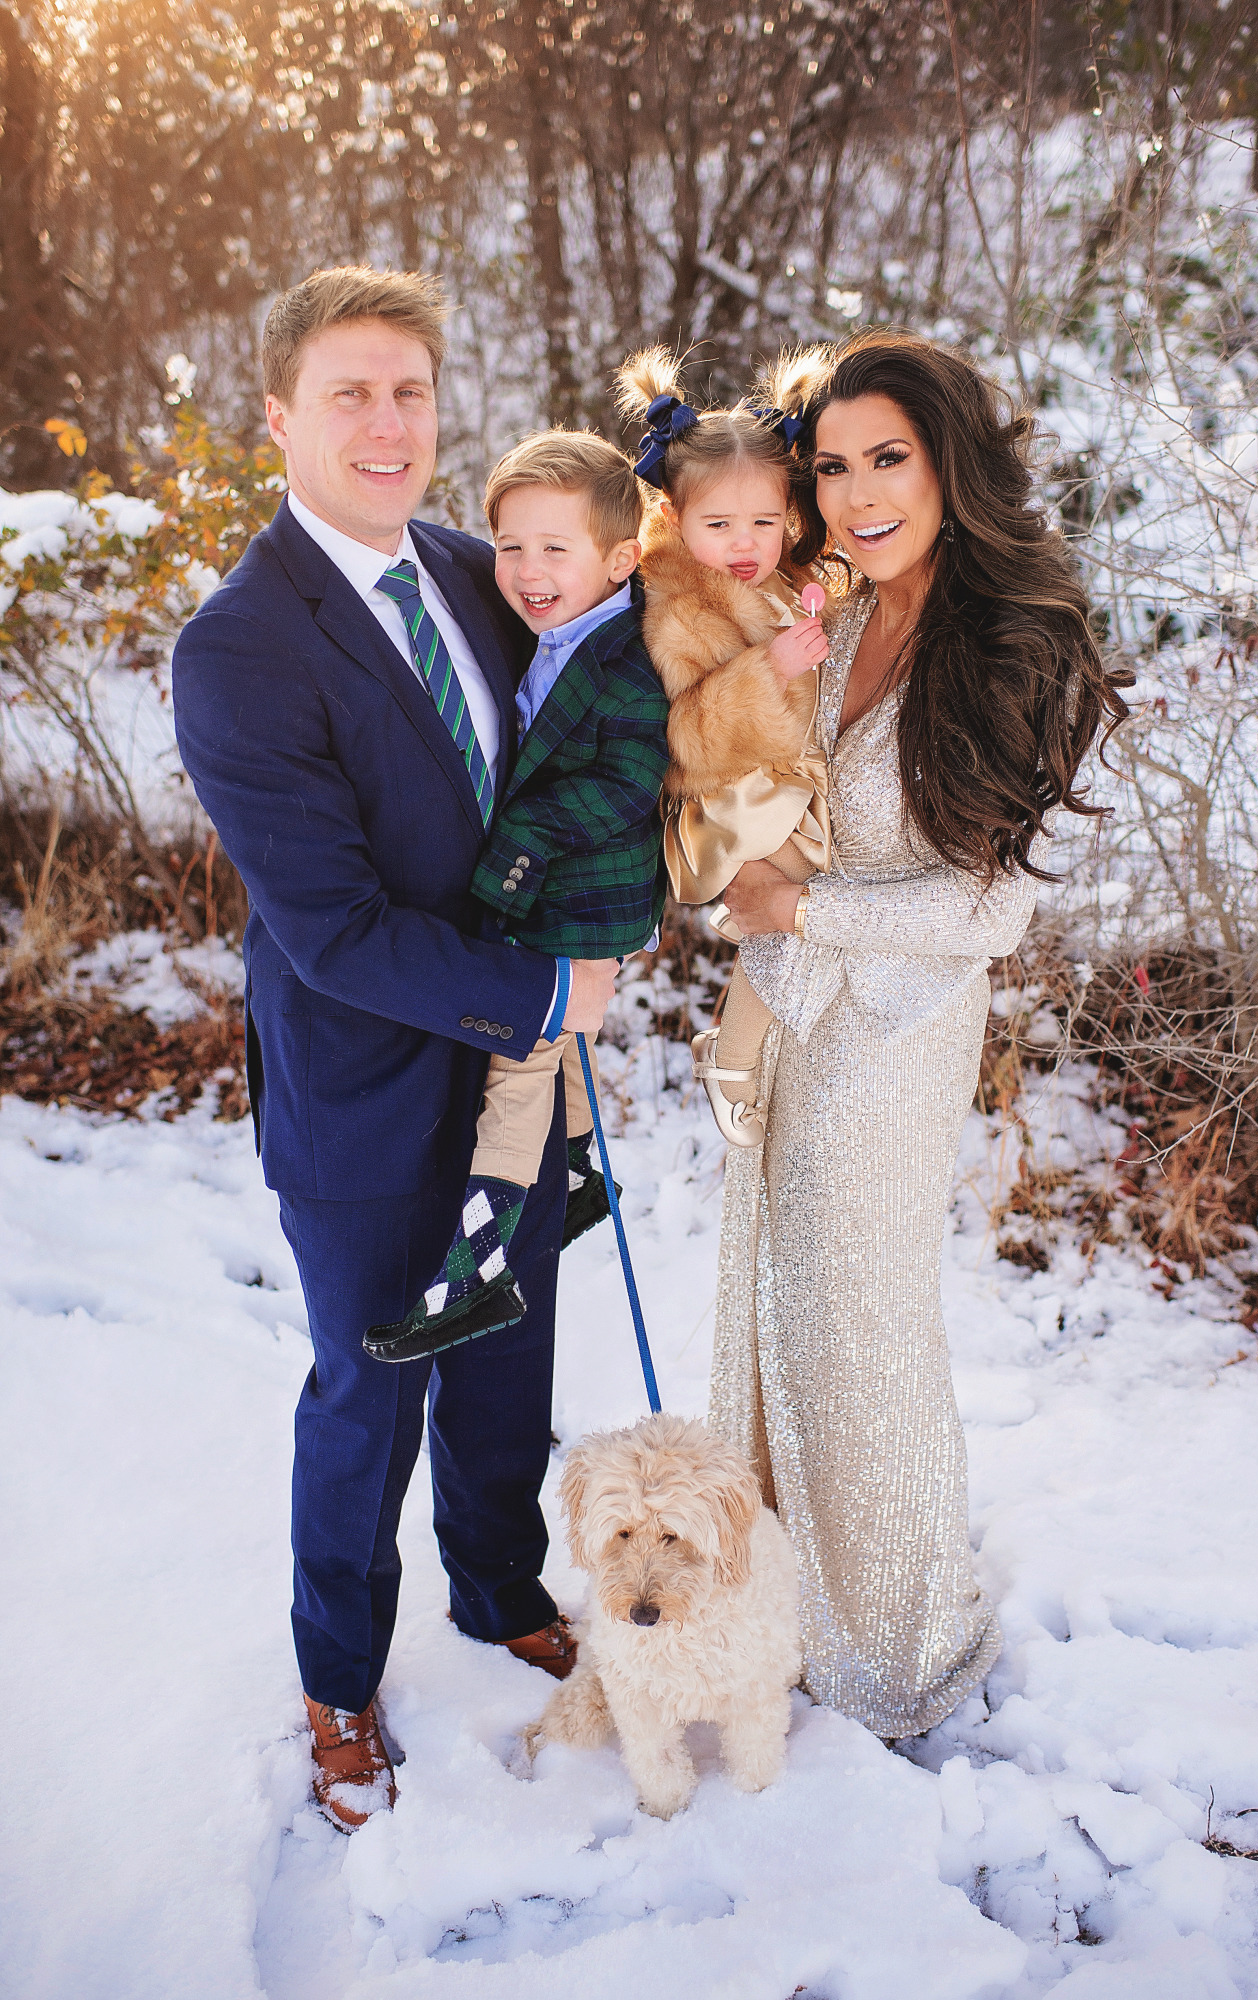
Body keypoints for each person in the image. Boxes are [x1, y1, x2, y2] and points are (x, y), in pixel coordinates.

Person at [171, 267, 619, 1833]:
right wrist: (546, 997)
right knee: (370, 1394)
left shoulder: (477, 563)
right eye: (349, 392)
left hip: (515, 1081)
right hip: (365, 1084)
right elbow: (332, 928)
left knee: (505, 1349)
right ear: (280, 415)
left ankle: (498, 1586)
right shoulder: (238, 646)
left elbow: (599, 704)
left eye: (409, 391)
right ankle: (339, 1680)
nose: (385, 421)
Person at [708, 330, 1131, 1739]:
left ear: (950, 464)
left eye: (884, 458)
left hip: (890, 1034)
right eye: (828, 467)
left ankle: (893, 1647)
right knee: (764, 1296)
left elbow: (987, 911)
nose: (852, 493)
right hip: (785, 1008)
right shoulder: (835, 604)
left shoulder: (1009, 638)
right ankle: (778, 1603)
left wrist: (798, 902)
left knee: (860, 1324)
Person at [365, 429, 670, 1361]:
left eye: (555, 549)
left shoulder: (626, 659)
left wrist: (519, 842)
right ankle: (579, 1177)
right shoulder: (556, 630)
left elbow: (625, 780)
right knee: (563, 1047)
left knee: (519, 1068)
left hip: (582, 899)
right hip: (572, 899)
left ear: (620, 561)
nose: (529, 571)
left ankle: (476, 1273)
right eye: (511, 546)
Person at [614, 347, 832, 1146]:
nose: (744, 543)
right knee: (810, 900)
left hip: (769, 791)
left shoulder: (766, 574)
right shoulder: (677, 608)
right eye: (718, 525)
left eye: (764, 523)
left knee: (825, 904)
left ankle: (756, 1044)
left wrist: (806, 613)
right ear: (672, 517)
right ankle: (733, 1051)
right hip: (722, 806)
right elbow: (685, 736)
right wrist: (766, 669)